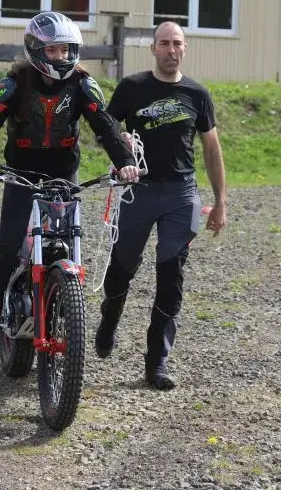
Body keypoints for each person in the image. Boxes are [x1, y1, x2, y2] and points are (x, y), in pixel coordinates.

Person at [0, 11, 140, 329]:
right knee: (9, 239)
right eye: (52, 50)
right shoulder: (14, 84)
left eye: (65, 50)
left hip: (64, 173)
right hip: (21, 171)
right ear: (35, 49)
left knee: (67, 236)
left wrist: (126, 161)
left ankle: (64, 296)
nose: (60, 57)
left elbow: (106, 127)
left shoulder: (83, 85)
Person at [94, 20, 228, 390]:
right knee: (121, 269)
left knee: (171, 278)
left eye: (177, 43)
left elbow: (212, 149)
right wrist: (118, 141)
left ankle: (157, 362)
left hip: (181, 195)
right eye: (164, 43)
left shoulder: (197, 94)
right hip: (137, 192)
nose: (171, 50)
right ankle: (109, 320)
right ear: (153, 48)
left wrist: (220, 202)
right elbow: (103, 130)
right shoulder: (132, 87)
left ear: (185, 48)